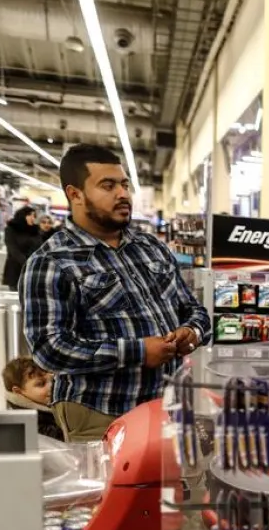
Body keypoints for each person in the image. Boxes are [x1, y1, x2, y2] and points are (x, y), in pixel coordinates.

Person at [21, 144, 210, 443]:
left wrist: (193, 331)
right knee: (116, 490)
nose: (122, 194)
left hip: (168, 404)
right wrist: (137, 352)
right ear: (75, 194)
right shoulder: (52, 262)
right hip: (101, 412)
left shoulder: (151, 248)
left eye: (124, 184)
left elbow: (193, 308)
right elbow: (49, 349)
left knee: (171, 489)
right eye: (107, 186)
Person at [3, 355, 63, 441]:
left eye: (52, 380)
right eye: (41, 384)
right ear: (18, 392)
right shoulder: (31, 422)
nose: (51, 386)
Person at [3, 205, 42, 290]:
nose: (32, 218)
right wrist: (26, 262)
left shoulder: (35, 230)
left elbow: (39, 246)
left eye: (34, 216)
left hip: (32, 270)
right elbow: (12, 248)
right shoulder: (11, 229)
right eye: (29, 215)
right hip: (16, 268)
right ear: (22, 216)